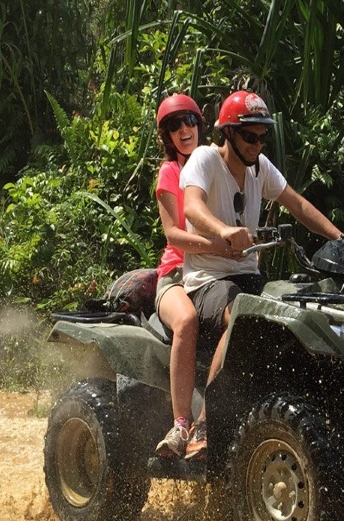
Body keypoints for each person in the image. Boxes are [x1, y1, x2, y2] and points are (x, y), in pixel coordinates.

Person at [179, 90, 344, 443]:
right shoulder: (204, 158)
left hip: (249, 276)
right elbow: (191, 207)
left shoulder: (259, 167)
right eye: (250, 136)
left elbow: (297, 205)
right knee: (241, 315)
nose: (257, 144)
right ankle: (205, 421)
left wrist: (339, 237)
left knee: (297, 316)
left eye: (263, 136)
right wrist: (224, 231)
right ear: (228, 133)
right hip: (208, 279)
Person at [151, 94, 241, 460]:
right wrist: (219, 244)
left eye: (188, 120)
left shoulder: (221, 165)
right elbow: (172, 234)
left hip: (217, 270)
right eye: (174, 126)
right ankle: (182, 425)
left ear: (200, 124)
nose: (183, 130)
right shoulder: (170, 172)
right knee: (187, 319)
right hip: (175, 273)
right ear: (166, 136)